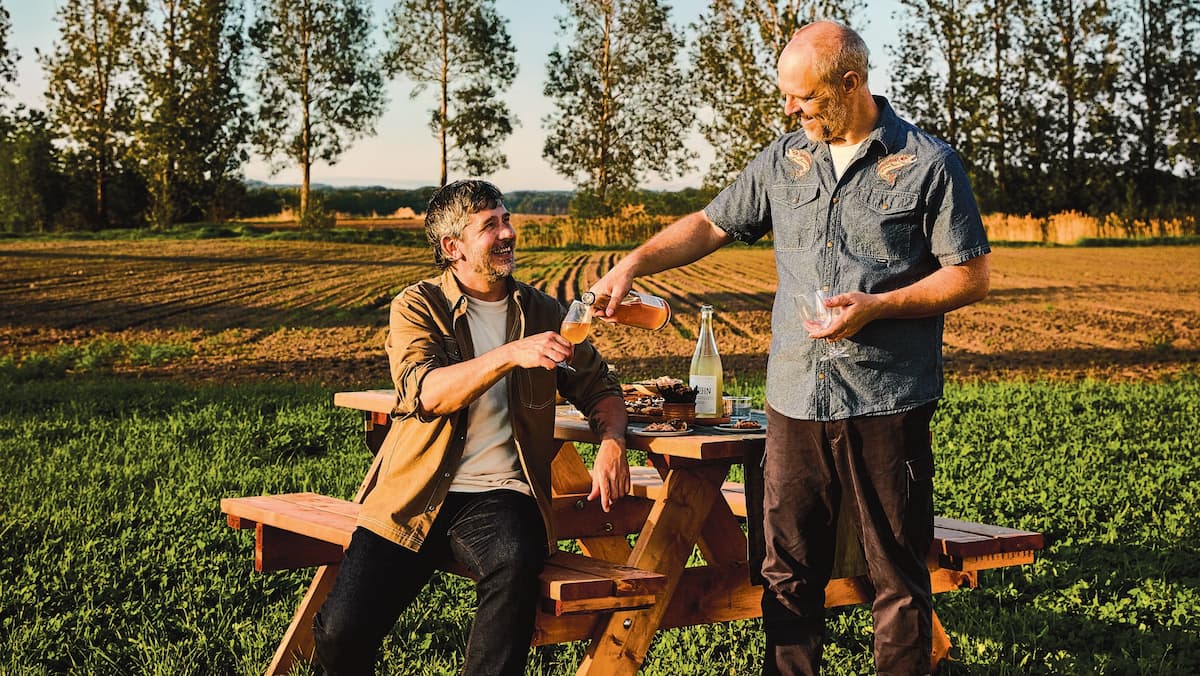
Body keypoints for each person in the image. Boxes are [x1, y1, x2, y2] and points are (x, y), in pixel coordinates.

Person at [589, 20, 991, 676]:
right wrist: (634, 262)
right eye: (785, 95)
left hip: (886, 399)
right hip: (795, 398)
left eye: (802, 96)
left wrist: (880, 307)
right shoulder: (784, 159)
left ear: (852, 82)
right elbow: (710, 223)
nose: (789, 108)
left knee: (896, 574)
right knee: (786, 572)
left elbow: (970, 275)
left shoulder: (927, 164)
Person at [313, 179, 630, 675]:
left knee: (515, 561)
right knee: (338, 630)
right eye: (490, 226)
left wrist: (612, 442)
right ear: (451, 247)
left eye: (507, 219)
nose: (507, 233)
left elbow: (600, 388)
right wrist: (510, 355)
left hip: (500, 495)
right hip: (412, 494)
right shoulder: (418, 306)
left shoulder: (543, 311)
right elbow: (426, 392)